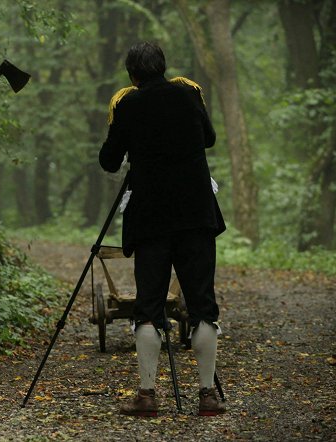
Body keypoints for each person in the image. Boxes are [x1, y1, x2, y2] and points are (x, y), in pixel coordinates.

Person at [99, 41, 227, 417]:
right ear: (164, 67)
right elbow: (209, 139)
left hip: (151, 219)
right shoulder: (189, 96)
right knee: (203, 304)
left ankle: (147, 395)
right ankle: (207, 395)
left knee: (149, 305)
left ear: (132, 75)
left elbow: (109, 161)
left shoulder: (127, 104)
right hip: (196, 215)